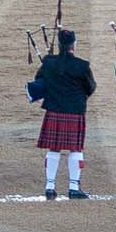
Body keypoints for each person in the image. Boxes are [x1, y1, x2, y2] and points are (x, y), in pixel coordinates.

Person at [32, 27, 94, 199]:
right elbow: (90, 87)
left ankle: (49, 186)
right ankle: (74, 187)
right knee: (75, 149)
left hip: (54, 109)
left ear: (59, 44)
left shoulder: (48, 62)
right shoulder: (82, 65)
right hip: (75, 110)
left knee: (54, 148)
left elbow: (39, 82)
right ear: (73, 44)